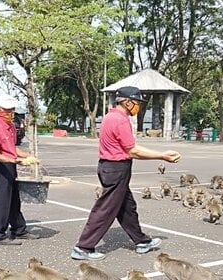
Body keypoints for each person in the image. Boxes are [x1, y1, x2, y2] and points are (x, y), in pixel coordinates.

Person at [71, 86, 180, 261]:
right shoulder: (120, 121)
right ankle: (83, 247)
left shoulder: (109, 116)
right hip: (116, 169)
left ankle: (141, 241)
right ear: (127, 102)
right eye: (137, 102)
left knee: (127, 208)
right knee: (105, 209)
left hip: (109, 167)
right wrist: (162, 155)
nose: (139, 106)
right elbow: (133, 151)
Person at [0, 94, 39, 245]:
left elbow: (11, 147)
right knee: (1, 201)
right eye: (7, 110)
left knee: (14, 200)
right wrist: (16, 160)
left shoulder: (11, 125)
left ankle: (19, 230)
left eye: (12, 110)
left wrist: (27, 156)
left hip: (10, 165)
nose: (10, 113)